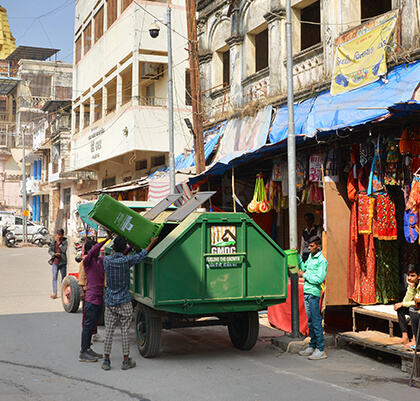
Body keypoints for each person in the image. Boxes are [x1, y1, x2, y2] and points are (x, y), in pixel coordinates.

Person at [102, 235, 158, 371]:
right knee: (125, 331)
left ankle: (106, 361)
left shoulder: (107, 260)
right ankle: (126, 361)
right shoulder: (127, 261)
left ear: (114, 247)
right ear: (124, 248)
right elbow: (142, 255)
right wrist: (151, 243)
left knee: (109, 331)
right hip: (125, 301)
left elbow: (116, 255)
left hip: (110, 301)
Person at [78, 231, 111, 363]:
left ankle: (88, 349)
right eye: (95, 248)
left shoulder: (100, 261)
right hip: (91, 298)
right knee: (88, 325)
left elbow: (115, 257)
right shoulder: (87, 261)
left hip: (98, 298)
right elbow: (92, 252)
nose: (98, 250)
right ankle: (83, 352)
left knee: (92, 324)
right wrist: (106, 239)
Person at [297, 235, 328, 360]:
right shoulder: (310, 256)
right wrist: (298, 257)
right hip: (307, 292)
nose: (309, 248)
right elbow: (304, 267)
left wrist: (304, 275)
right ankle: (312, 346)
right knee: (310, 321)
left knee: (315, 321)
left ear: (318, 246)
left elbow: (319, 279)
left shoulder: (322, 261)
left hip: (314, 294)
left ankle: (320, 349)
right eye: (308, 246)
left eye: (311, 246)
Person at [393, 264, 420, 347]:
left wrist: (403, 303)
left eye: (412, 276)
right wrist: (411, 287)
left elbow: (417, 302)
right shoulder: (413, 284)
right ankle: (405, 336)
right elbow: (406, 301)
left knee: (412, 308)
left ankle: (415, 339)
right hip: (417, 306)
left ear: (419, 276)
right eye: (408, 275)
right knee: (401, 308)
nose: (409, 278)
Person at [48, 228, 67, 299]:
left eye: (60, 235)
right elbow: (49, 250)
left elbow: (64, 250)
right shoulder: (53, 242)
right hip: (55, 262)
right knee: (54, 277)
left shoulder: (65, 242)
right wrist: (54, 254)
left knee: (63, 278)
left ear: (63, 235)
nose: (59, 237)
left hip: (63, 262)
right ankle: (55, 292)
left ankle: (63, 292)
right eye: (58, 235)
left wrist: (59, 244)